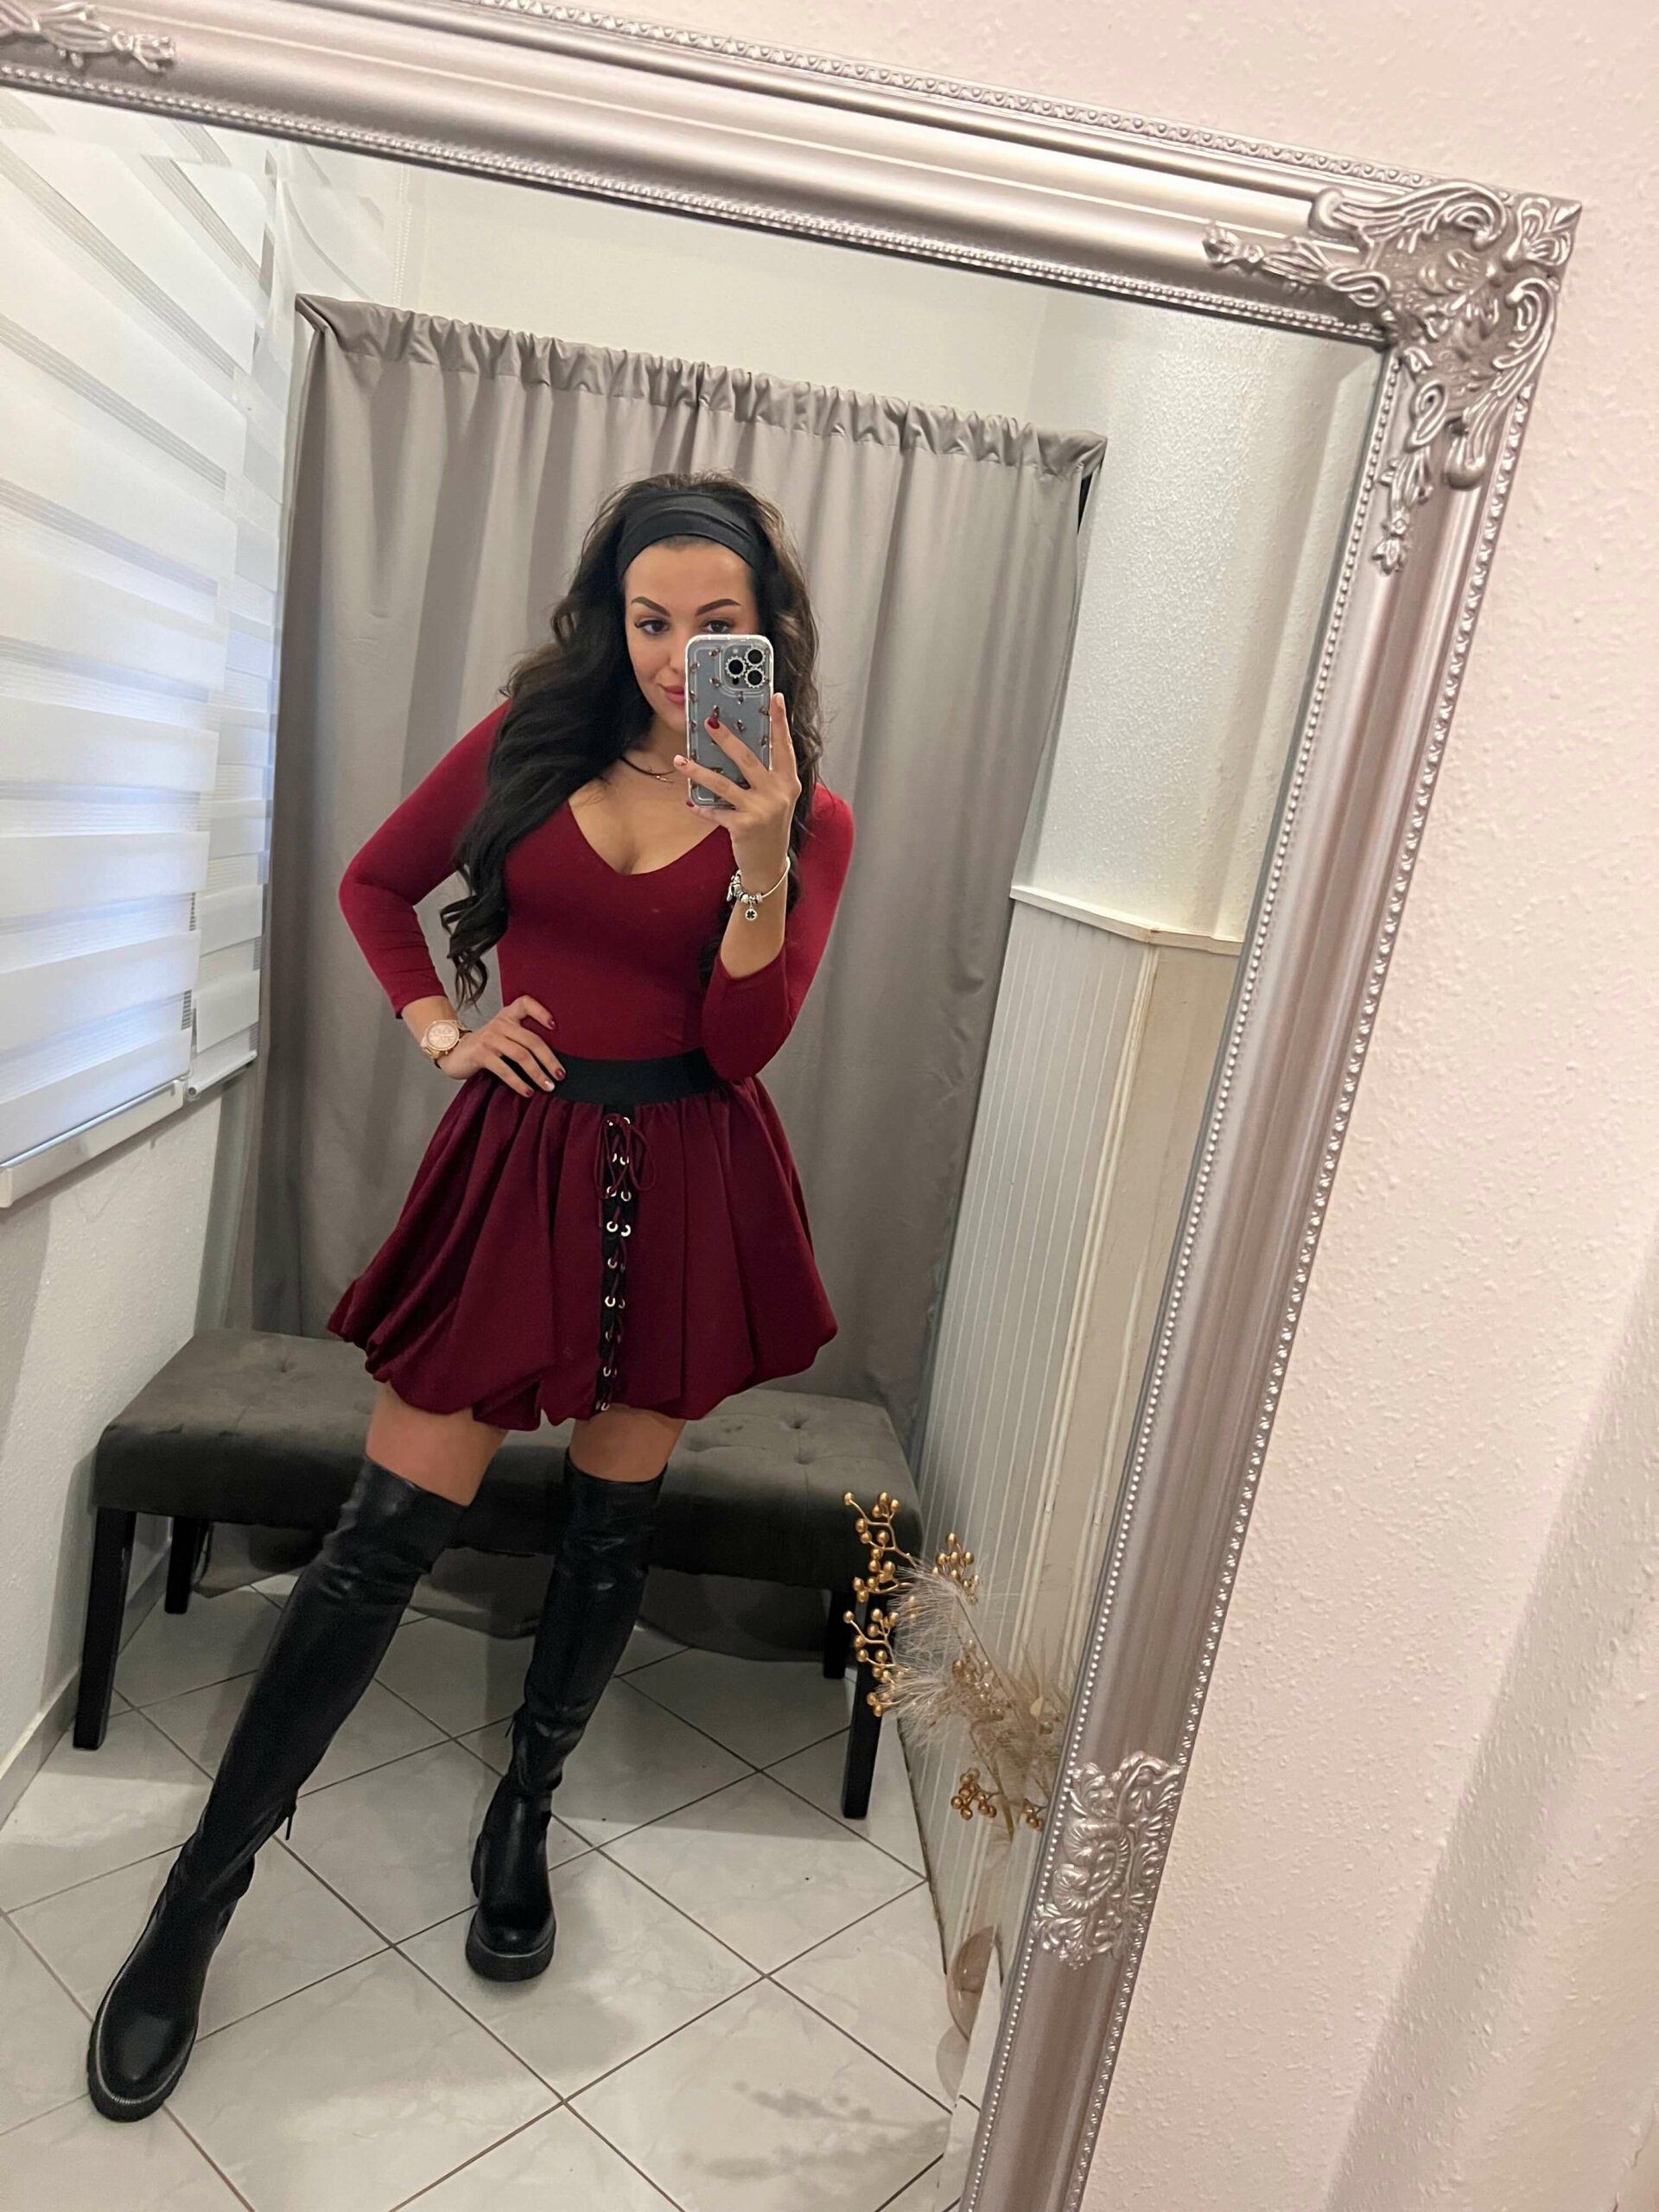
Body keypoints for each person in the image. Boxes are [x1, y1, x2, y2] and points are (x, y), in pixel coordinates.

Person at [86, 470, 855, 2121]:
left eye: (716, 624)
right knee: (377, 1543)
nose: (678, 656)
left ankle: (526, 1809)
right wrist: (447, 1029)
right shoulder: (527, 745)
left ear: (767, 631)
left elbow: (740, 1046)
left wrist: (763, 855)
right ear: (609, 617)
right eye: (649, 619)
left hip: (690, 1176)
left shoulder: (806, 815)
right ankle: (195, 1904)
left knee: (608, 1528)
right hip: (520, 1169)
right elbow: (379, 887)